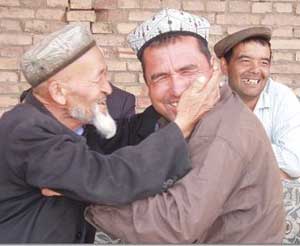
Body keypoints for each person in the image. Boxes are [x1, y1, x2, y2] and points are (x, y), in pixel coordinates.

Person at [0, 23, 218, 243]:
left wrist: (170, 98)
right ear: (58, 92)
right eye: (99, 78)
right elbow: (112, 180)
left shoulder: (74, 126)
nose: (108, 89)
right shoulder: (26, 132)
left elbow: (126, 134)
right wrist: (181, 125)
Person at [85, 9, 285, 243]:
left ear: (213, 67)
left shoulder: (224, 131)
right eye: (159, 77)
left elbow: (174, 225)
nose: (177, 89)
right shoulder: (179, 118)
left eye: (187, 71)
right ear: (147, 84)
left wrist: (87, 196)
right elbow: (125, 141)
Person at [214, 26, 300, 243]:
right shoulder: (211, 101)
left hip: (275, 211)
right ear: (225, 66)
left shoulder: (282, 97)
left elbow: (294, 162)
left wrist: (236, 160)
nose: (256, 70)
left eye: (264, 62)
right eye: (245, 61)